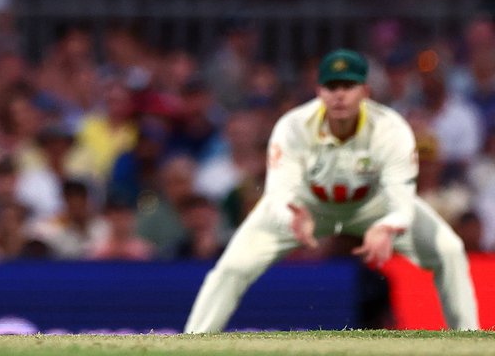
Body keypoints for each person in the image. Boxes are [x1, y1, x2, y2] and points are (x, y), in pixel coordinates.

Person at [184, 49, 479, 333]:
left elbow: (401, 196)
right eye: (331, 86)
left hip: (369, 206)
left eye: (348, 86)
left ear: (365, 91)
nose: (339, 94)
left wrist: (387, 225)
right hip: (313, 206)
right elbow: (280, 191)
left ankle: (470, 341)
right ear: (319, 92)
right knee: (233, 266)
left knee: (449, 250)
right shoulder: (293, 127)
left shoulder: (391, 129)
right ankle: (193, 342)